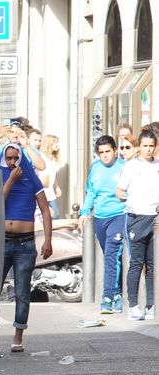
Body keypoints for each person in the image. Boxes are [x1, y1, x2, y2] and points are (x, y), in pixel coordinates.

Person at [0, 139, 52, 354]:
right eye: (8, 158)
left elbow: (46, 210)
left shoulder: (31, 178)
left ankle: (18, 336)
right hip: (1, 240)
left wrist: (48, 240)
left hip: (25, 242)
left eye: (16, 158)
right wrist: (11, 180)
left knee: (22, 291)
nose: (12, 162)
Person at [78, 135, 126, 314]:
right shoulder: (95, 168)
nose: (105, 155)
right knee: (111, 258)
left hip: (119, 215)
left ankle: (108, 296)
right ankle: (118, 292)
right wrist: (84, 212)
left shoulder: (123, 167)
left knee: (112, 255)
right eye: (101, 153)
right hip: (100, 217)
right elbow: (90, 191)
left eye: (108, 151)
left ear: (115, 150)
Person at [116, 130, 159, 321]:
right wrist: (125, 197)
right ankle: (133, 305)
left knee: (153, 266)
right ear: (139, 147)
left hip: (155, 218)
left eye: (152, 145)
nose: (148, 149)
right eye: (145, 146)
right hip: (136, 218)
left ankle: (151, 305)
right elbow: (120, 190)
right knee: (136, 263)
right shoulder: (131, 166)